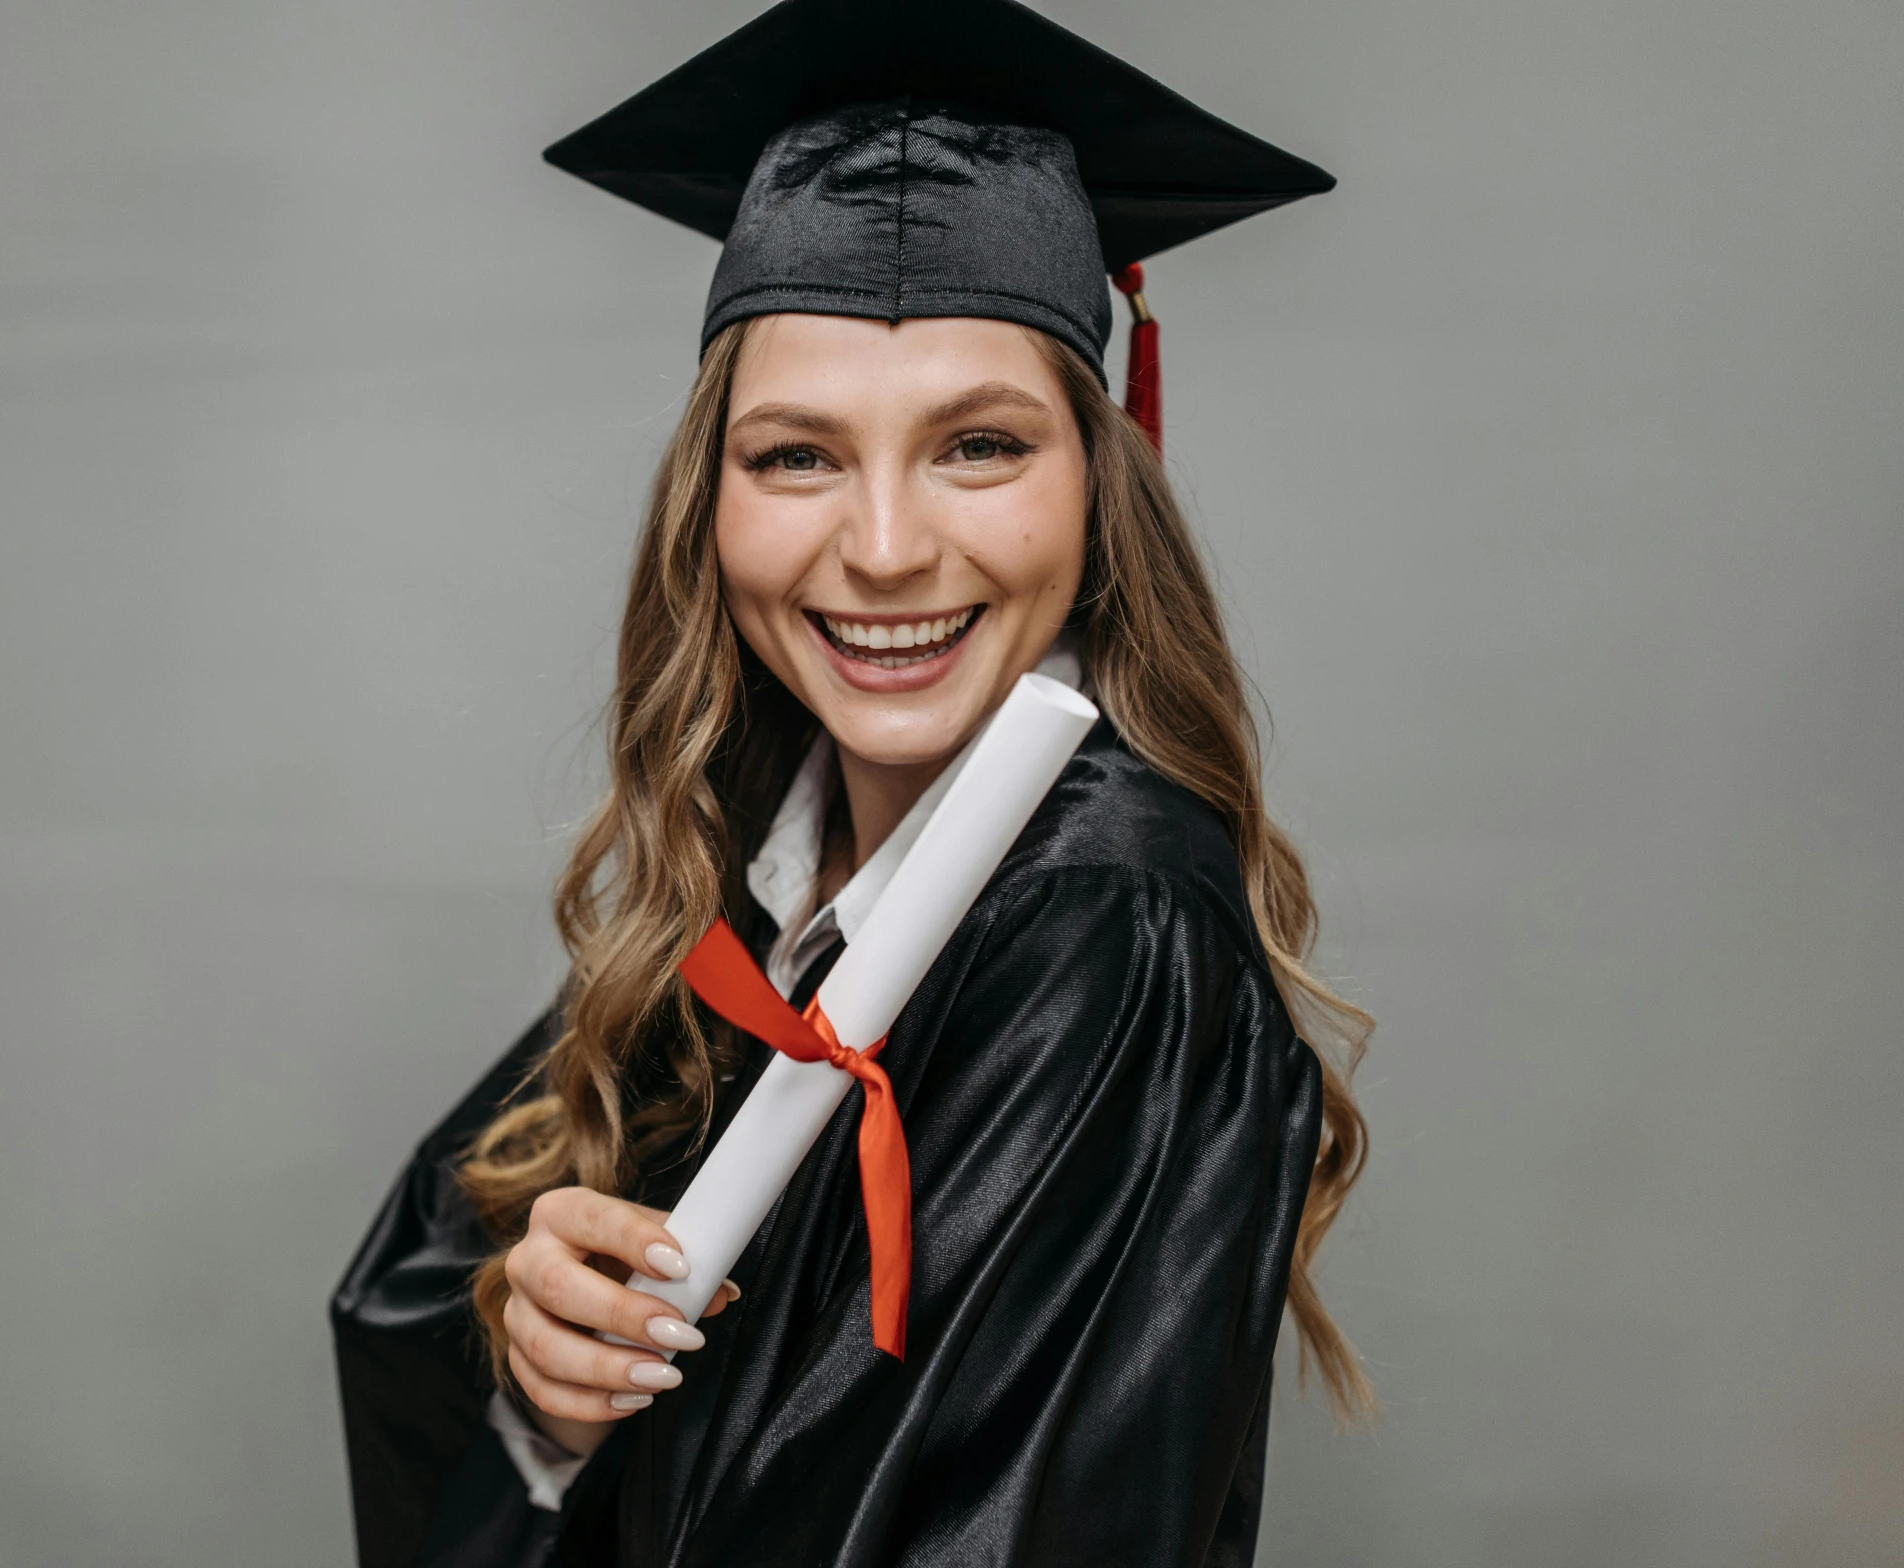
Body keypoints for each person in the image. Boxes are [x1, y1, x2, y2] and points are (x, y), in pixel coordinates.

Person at [332, 2, 1372, 1563]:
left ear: (1103, 481)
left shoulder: (1110, 939)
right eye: (796, 456)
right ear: (709, 507)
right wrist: (546, 1376)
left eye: (979, 446)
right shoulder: (765, 883)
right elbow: (427, 1284)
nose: (884, 549)